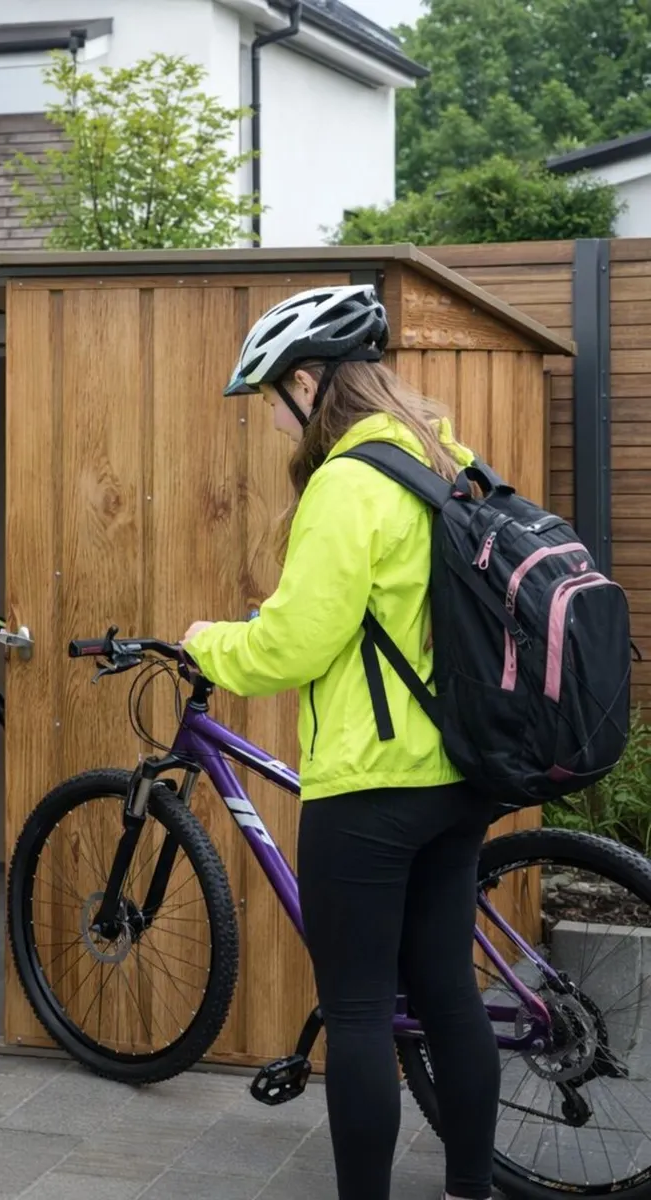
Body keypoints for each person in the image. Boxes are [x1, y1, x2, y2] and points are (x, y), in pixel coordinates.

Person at [181, 285, 501, 1200]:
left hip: (369, 791)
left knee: (359, 1013)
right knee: (446, 994)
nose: (279, 425)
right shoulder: (445, 458)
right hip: (459, 772)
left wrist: (210, 641)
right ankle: (468, 1190)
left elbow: (294, 644)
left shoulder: (347, 483)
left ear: (310, 381)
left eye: (277, 401)